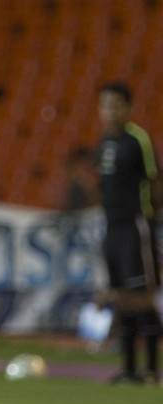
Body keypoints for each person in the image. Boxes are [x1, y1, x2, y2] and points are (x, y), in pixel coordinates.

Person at [96, 81, 163, 385]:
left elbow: (155, 181)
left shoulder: (138, 140)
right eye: (105, 105)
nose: (110, 111)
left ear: (127, 108)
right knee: (121, 298)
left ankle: (150, 369)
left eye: (116, 105)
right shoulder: (105, 143)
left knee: (142, 298)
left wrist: (151, 221)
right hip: (112, 227)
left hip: (135, 225)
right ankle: (128, 369)